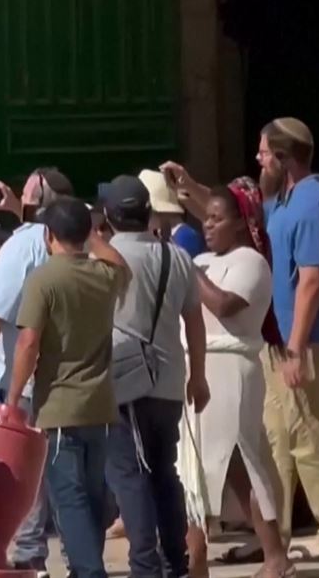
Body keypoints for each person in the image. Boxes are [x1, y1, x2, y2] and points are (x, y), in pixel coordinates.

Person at [163, 117, 319, 560]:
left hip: (293, 342)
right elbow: (233, 214)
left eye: (265, 153)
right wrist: (190, 185)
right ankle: (276, 538)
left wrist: (296, 348)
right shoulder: (280, 201)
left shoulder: (309, 205)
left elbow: (310, 282)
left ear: (283, 159)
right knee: (272, 443)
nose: (258, 159)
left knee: (308, 436)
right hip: (271, 342)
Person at [2, 196, 130, 578]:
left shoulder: (43, 279)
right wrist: (93, 238)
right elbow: (121, 265)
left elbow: (28, 342)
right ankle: (84, 568)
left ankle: (89, 572)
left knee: (69, 499)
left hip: (58, 405)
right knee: (92, 498)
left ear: (48, 235)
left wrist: (13, 397)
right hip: (100, 404)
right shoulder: (104, 275)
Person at [0, 167, 74, 575]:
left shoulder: (23, 244)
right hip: (75, 375)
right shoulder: (81, 243)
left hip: (26, 378)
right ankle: (80, 555)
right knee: (71, 471)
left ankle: (29, 557)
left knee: (23, 470)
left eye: (26, 188)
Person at [183, 182, 293, 578]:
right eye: (205, 218)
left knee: (237, 461)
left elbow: (226, 306)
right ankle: (195, 560)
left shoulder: (251, 262)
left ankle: (275, 555)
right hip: (197, 365)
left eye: (217, 218)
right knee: (191, 466)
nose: (208, 226)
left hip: (231, 368)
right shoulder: (201, 259)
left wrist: (190, 272)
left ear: (241, 224)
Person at [103, 174, 210, 578]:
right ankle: (174, 560)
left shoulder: (103, 257)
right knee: (165, 471)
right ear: (148, 213)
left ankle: (144, 564)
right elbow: (194, 322)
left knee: (128, 474)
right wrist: (198, 377)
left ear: (110, 218)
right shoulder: (176, 256)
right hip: (168, 378)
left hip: (119, 381)